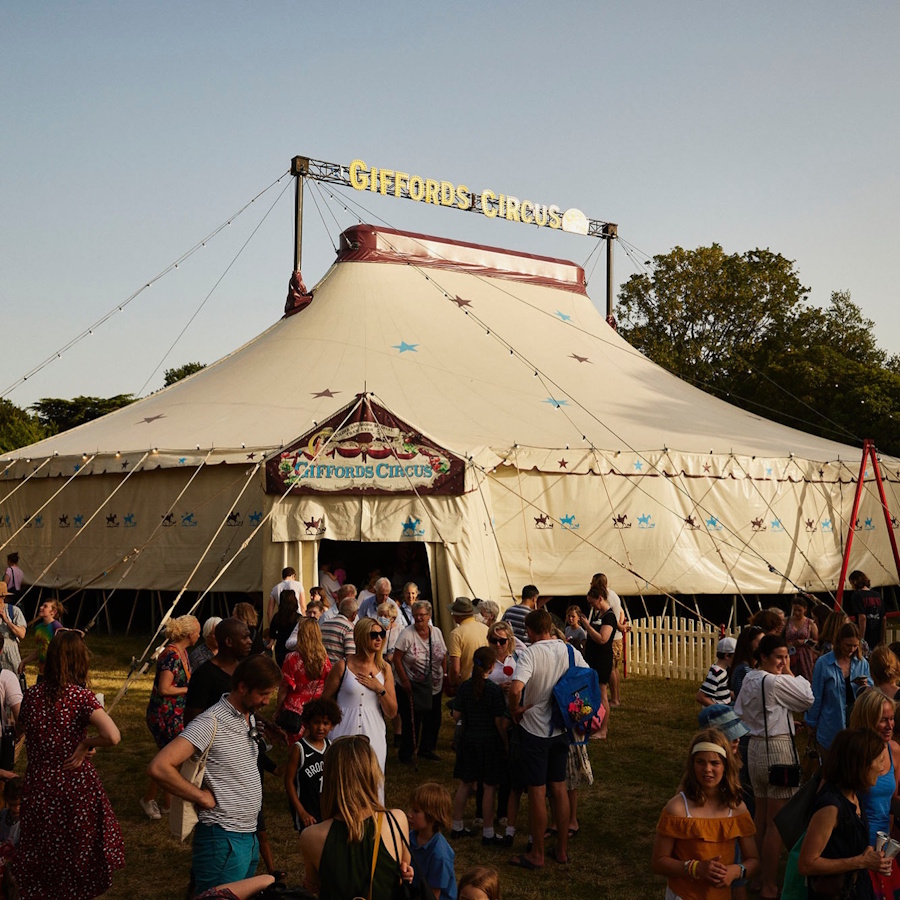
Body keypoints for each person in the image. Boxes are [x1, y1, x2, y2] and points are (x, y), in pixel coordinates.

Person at [148, 653, 283, 894]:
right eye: (263, 694)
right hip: (223, 839)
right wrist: (200, 796)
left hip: (247, 835)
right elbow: (159, 766)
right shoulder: (210, 722)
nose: (267, 701)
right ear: (242, 687)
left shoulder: (248, 717)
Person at [12, 630, 124, 900]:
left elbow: (22, 730)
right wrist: (85, 744)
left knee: (43, 849)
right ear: (79, 661)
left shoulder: (32, 696)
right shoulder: (81, 697)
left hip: (39, 786)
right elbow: (113, 736)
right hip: (73, 784)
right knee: (77, 849)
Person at [734, 633, 814, 900]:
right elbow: (807, 698)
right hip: (777, 750)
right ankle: (769, 884)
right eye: (779, 657)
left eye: (785, 657)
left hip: (755, 747)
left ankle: (756, 877)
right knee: (775, 824)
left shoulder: (750, 678)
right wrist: (790, 671)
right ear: (763, 656)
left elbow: (742, 711)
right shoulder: (774, 681)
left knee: (760, 817)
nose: (783, 662)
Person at [507, 609, 588, 869]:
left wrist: (514, 709)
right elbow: (587, 677)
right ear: (551, 627)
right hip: (561, 727)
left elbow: (516, 689)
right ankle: (561, 851)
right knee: (559, 789)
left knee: (537, 792)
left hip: (534, 730)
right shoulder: (569, 650)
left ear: (530, 631)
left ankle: (537, 854)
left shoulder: (530, 654)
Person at [298, 735, 413, 900]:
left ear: (330, 777)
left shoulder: (311, 836)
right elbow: (403, 874)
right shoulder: (396, 820)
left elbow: (313, 886)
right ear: (371, 773)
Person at [650, 728, 758, 899]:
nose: (707, 769)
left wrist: (736, 871)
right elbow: (658, 862)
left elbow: (753, 860)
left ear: (726, 766)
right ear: (692, 765)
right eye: (700, 762)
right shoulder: (678, 809)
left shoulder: (737, 809)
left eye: (715, 763)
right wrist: (695, 868)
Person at [798, 728, 892, 899]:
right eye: (879, 761)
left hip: (857, 889)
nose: (881, 768)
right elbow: (807, 864)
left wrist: (869, 855)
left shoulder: (855, 796)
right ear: (860, 764)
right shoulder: (831, 806)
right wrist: (860, 861)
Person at [324, 616, 398, 787]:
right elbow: (325, 701)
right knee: (342, 780)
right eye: (373, 635)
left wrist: (379, 689)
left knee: (372, 780)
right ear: (361, 636)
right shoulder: (343, 666)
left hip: (373, 732)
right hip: (343, 729)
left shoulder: (385, 669)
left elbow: (392, 712)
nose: (378, 638)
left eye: (381, 634)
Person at [141, 613, 200, 820]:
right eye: (198, 632)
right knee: (168, 760)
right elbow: (165, 688)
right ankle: (148, 799)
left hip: (175, 713)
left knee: (172, 759)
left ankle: (168, 804)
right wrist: (188, 690)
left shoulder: (183, 653)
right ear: (190, 634)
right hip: (164, 715)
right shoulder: (171, 656)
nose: (199, 635)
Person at [451, 647, 507, 844]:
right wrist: (505, 742)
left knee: (465, 783)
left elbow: (456, 714)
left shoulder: (465, 687)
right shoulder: (494, 690)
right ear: (491, 666)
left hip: (468, 739)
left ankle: (457, 825)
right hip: (489, 742)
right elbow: (499, 722)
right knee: (489, 787)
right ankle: (488, 831)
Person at [393, 599, 447, 764]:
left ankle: (427, 748)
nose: (418, 618)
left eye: (422, 615)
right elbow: (397, 658)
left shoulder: (436, 632)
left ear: (429, 616)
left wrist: (444, 674)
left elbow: (443, 654)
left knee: (434, 718)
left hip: (434, 684)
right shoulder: (407, 634)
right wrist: (405, 681)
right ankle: (406, 753)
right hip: (412, 684)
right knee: (412, 720)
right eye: (416, 615)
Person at [806, 622, 873, 752]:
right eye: (848, 645)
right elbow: (817, 696)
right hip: (831, 725)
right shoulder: (823, 663)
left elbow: (871, 693)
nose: (851, 649)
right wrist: (811, 722)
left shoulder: (862, 663)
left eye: (855, 646)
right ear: (839, 642)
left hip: (855, 725)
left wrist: (866, 686)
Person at [849, 690, 900, 851]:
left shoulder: (894, 750)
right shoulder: (852, 753)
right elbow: (832, 801)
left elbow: (892, 800)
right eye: (883, 720)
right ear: (867, 720)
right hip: (855, 843)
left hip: (883, 843)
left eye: (892, 718)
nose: (890, 726)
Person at [285, 697, 341, 834]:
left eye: (326, 723)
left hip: (327, 810)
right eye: (316, 722)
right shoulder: (299, 748)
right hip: (308, 810)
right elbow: (289, 781)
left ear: (332, 725)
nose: (321, 728)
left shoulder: (331, 747)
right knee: (310, 843)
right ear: (307, 723)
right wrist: (301, 812)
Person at [184, 617, 253, 724]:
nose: (250, 642)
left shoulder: (243, 669)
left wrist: (263, 724)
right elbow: (192, 718)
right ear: (229, 642)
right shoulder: (204, 674)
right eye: (245, 638)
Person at [275, 617, 332, 739]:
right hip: (316, 710)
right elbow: (329, 682)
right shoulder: (324, 659)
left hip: (295, 711)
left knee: (295, 747)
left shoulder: (291, 658)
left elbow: (284, 688)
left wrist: (277, 710)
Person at [579, 587, 617, 739]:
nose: (591, 606)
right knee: (593, 693)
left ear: (600, 598)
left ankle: (603, 729)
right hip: (593, 658)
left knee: (602, 695)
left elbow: (603, 639)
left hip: (602, 660)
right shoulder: (598, 614)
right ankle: (595, 724)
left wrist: (587, 626)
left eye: (592, 602)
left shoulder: (609, 617)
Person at [408, 781, 457, 900]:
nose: (409, 814)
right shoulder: (410, 837)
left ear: (433, 816)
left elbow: (433, 895)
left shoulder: (440, 855)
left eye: (416, 811)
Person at [447, 597, 489, 693]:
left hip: (467, 685)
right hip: (486, 681)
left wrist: (452, 684)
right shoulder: (485, 629)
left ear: (457, 615)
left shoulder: (456, 634)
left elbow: (455, 668)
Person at [18, 598, 64, 682]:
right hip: (42, 671)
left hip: (54, 672)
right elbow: (41, 649)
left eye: (45, 606)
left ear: (53, 612)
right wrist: (25, 661)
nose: (41, 607)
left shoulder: (56, 628)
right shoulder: (39, 628)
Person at [850, 571, 886, 653]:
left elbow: (862, 617)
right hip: (877, 635)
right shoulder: (877, 595)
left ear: (854, 582)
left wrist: (861, 639)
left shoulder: (857, 596)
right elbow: (884, 618)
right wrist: (883, 639)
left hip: (866, 634)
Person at [316, 593, 358, 663]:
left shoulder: (324, 624)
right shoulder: (349, 628)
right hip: (338, 667)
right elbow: (350, 656)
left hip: (322, 665)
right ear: (354, 614)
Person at [785, 594, 819, 681]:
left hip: (806, 656)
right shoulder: (787, 621)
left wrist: (804, 641)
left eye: (799, 610)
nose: (797, 613)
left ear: (805, 609)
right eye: (794, 610)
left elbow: (816, 642)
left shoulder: (810, 623)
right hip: (790, 655)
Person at [696, 637, 736, 707]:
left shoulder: (722, 671)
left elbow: (721, 689)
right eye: (735, 656)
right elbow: (700, 697)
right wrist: (718, 709)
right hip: (720, 711)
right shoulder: (716, 674)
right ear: (727, 656)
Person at [729, 625, 763, 700]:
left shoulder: (757, 666)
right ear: (748, 644)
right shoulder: (742, 669)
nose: (764, 646)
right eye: (760, 642)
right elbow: (742, 697)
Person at [269, 590, 301, 667]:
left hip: (280, 648)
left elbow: (272, 633)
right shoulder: (299, 618)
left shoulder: (277, 617)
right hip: (294, 649)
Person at [0, 583, 26, 676]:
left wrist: (7, 620)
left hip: (10, 654)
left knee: (14, 679)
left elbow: (22, 634)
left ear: (3, 597)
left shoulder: (14, 611)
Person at [0, 777, 21, 847]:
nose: (17, 809)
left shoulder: (28, 821)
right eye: (12, 805)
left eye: (20, 805)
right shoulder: (3, 816)